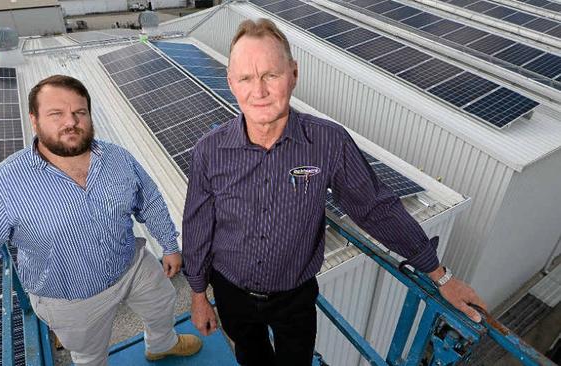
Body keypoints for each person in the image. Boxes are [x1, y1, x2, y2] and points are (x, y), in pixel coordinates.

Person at [182, 18, 486, 366]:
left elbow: (374, 208)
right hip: (231, 291)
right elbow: (197, 226)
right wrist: (198, 295)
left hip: (294, 298)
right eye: (247, 78)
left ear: (293, 74)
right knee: (251, 356)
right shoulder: (210, 151)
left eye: (271, 75)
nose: (259, 90)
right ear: (232, 84)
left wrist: (440, 275)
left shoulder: (329, 142)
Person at [0, 75, 201, 366]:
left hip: (132, 265)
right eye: (56, 114)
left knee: (163, 304)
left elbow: (150, 200)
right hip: (70, 299)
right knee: (89, 356)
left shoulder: (118, 158)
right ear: (34, 120)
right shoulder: (3, 185)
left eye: (79, 112)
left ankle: (161, 344)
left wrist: (170, 245)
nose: (70, 122)